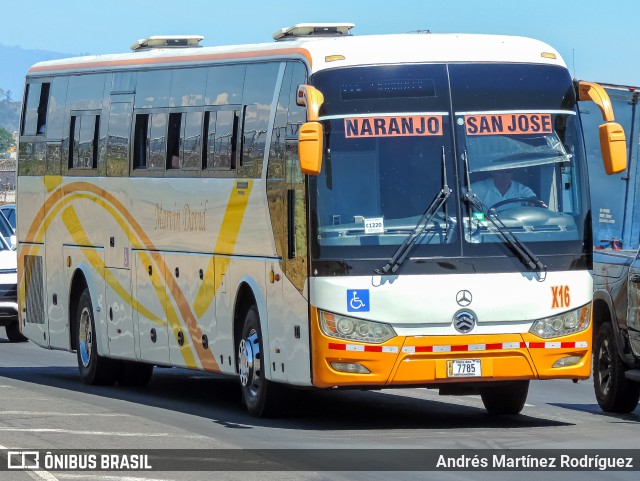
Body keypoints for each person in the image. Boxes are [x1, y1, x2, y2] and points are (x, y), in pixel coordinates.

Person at [471, 169, 536, 209]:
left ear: (512, 173)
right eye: (499, 172)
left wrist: (534, 204)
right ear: (492, 172)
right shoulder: (479, 187)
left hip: (515, 229)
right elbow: (463, 201)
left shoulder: (520, 189)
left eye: (508, 172)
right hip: (487, 229)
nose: (504, 176)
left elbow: (534, 201)